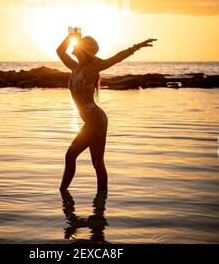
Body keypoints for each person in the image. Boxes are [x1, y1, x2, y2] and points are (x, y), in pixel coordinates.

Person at [56, 27, 157, 192]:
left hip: (95, 120)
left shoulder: (93, 68)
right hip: (96, 119)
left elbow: (117, 58)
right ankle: (101, 203)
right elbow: (59, 50)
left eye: (77, 44)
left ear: (84, 50)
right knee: (97, 163)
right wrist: (70, 36)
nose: (73, 46)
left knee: (70, 155)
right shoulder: (74, 67)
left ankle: (63, 195)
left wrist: (137, 46)